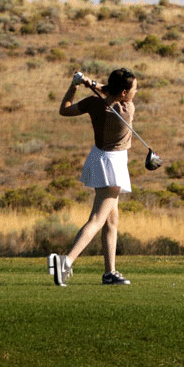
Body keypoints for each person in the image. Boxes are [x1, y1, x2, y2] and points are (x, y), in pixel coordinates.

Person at [52, 68, 138, 286]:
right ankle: (66, 262)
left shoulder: (93, 103)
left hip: (98, 157)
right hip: (114, 164)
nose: (136, 92)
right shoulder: (126, 110)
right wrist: (91, 83)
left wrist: (76, 84)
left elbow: (65, 109)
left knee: (111, 219)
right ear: (124, 93)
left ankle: (110, 272)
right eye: (134, 89)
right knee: (98, 219)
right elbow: (108, 92)